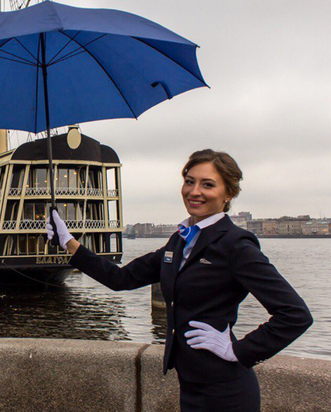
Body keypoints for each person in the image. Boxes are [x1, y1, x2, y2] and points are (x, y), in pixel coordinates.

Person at [47, 149, 313, 411]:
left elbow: (295, 315)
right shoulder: (180, 241)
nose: (194, 191)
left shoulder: (235, 245)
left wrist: (239, 351)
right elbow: (121, 278)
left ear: (228, 194)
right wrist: (68, 241)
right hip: (190, 386)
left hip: (226, 392)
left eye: (208, 185)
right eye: (189, 181)